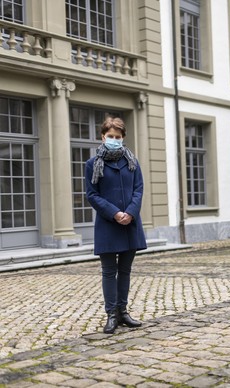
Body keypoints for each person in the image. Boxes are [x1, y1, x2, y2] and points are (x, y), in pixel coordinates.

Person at [85, 117, 147, 333]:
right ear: (102, 137)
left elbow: (139, 189)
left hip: (130, 223)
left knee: (126, 271)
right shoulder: (92, 164)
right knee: (109, 271)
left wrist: (130, 212)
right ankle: (111, 314)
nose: (113, 140)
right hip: (108, 224)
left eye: (117, 137)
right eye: (110, 136)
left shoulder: (132, 162)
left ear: (123, 138)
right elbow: (92, 195)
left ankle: (123, 311)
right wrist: (115, 213)